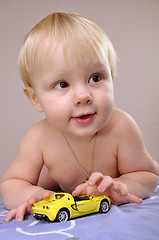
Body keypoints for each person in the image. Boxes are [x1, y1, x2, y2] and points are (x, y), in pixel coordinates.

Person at [0, 12, 158, 222]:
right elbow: (11, 184)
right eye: (62, 84)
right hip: (57, 194)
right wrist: (32, 196)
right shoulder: (38, 138)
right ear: (35, 98)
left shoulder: (121, 127)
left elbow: (148, 176)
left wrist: (118, 188)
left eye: (95, 78)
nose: (84, 96)